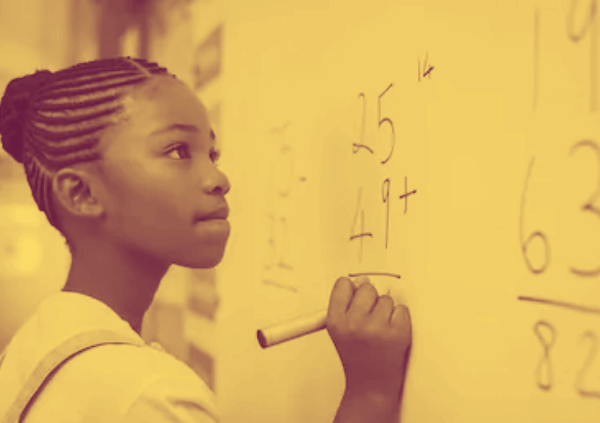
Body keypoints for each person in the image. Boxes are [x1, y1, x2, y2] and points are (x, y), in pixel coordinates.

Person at [0, 57, 412, 423]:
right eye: (178, 151)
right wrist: (370, 394)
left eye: (212, 154)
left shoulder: (34, 344)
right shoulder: (148, 398)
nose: (219, 179)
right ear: (82, 194)